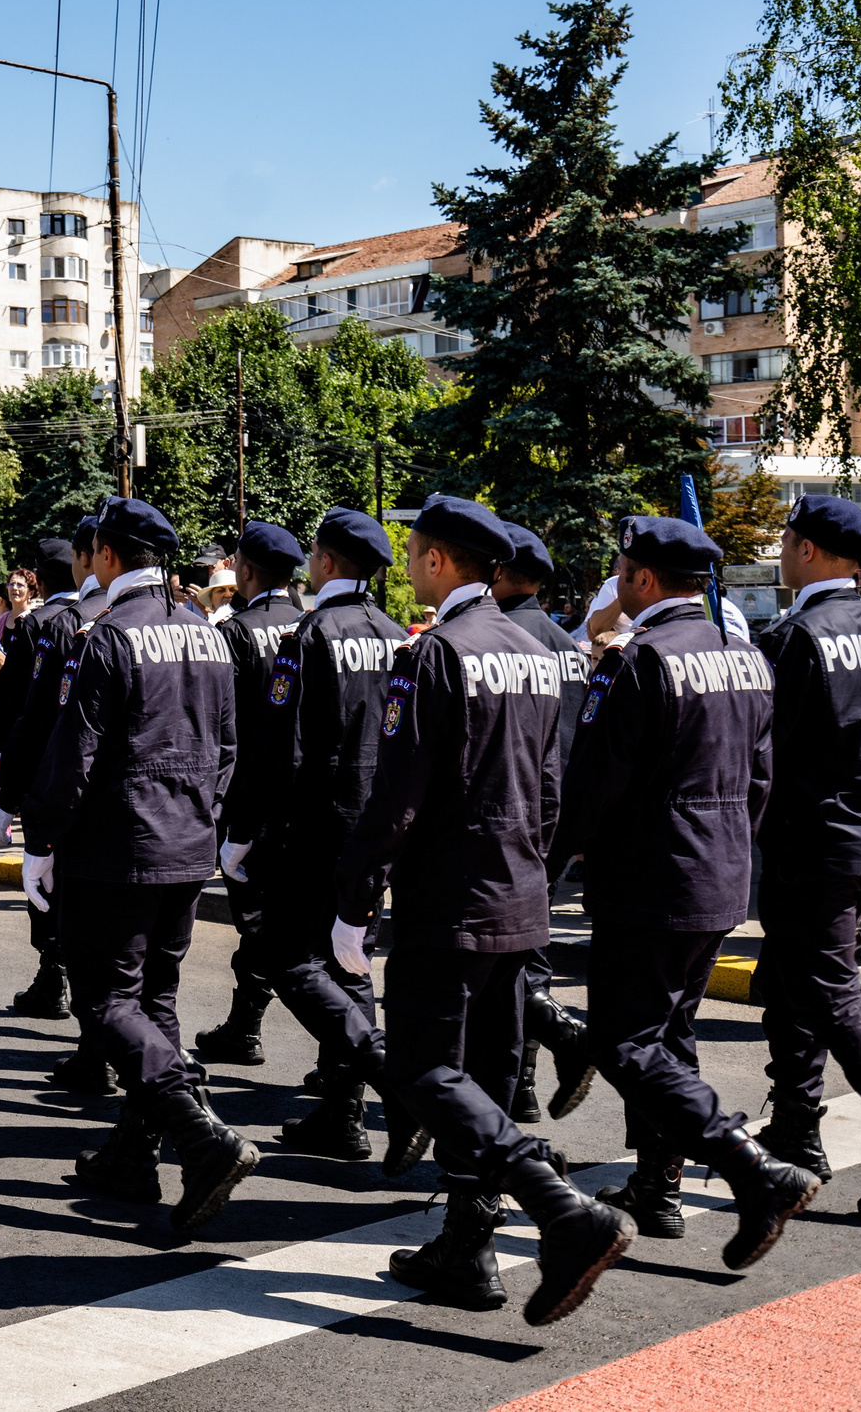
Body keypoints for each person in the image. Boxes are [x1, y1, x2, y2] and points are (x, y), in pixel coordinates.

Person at [336, 495, 631, 1326]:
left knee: (427, 1068)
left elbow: (394, 798)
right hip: (519, 890)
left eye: (416, 551)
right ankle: (469, 1245)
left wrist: (353, 903)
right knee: (490, 1073)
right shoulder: (533, 649)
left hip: (449, 896)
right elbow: (548, 784)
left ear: (437, 561)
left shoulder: (435, 654)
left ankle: (562, 1207)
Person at [557, 515, 814, 1263]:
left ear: (640, 580)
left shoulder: (635, 661)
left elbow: (592, 788)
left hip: (651, 879)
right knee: (669, 1037)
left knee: (623, 1039)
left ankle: (752, 1167)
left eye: (620, 569)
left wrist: (551, 866)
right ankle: (658, 1186)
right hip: (721, 872)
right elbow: (760, 779)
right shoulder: (745, 656)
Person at [27, 496, 254, 1233]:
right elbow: (227, 746)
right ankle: (133, 1153)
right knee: (155, 1001)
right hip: (187, 843)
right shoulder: (206, 634)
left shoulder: (107, 637)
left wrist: (41, 839)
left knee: (106, 1003)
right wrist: (203, 817)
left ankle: (199, 1133)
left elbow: (75, 757)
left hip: (117, 851)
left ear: (109, 555)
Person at [261, 510, 417, 1169]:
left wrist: (253, 834)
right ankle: (343, 1115)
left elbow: (282, 750)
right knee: (350, 965)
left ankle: (390, 1086)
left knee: (289, 961)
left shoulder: (309, 634)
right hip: (376, 826)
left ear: (324, 560)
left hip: (318, 825)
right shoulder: (395, 637)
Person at [752, 493, 861, 1213]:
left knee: (829, 991)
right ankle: (797, 1124)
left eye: (788, 539)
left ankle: (798, 1122)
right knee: (794, 984)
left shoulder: (798, 637)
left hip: (812, 838)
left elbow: (766, 748)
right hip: (851, 833)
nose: (783, 550)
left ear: (812, 550)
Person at [0, 521, 109, 1057]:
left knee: (45, 884)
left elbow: (20, 715)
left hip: (47, 778)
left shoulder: (45, 624)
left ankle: (52, 976)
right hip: (101, 787)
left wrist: (4, 793)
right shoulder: (102, 615)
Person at [494, 523, 597, 1123]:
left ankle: (546, 1051)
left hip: (508, 820)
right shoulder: (564, 645)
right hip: (555, 821)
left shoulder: (500, 639)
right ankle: (525, 1086)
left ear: (501, 572)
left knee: (504, 960)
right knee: (528, 951)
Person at [195, 522, 308, 1069]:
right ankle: (250, 1028)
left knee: (259, 922)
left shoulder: (235, 632)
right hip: (305, 800)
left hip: (248, 800)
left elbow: (218, 724)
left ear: (244, 570)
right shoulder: (310, 626)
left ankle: (248, 1029)